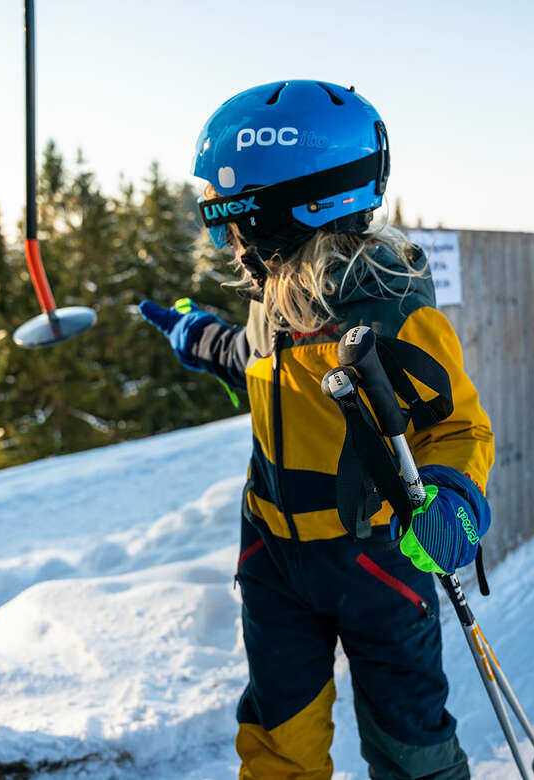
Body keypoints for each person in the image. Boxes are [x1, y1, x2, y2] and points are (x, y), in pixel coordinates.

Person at [139, 80, 494, 780]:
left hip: (376, 564)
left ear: (282, 216)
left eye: (232, 222)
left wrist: (452, 497)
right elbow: (254, 364)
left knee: (410, 741)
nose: (229, 243)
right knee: (278, 739)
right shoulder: (274, 305)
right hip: (274, 561)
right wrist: (195, 334)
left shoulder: (393, 320)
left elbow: (457, 426)